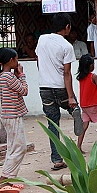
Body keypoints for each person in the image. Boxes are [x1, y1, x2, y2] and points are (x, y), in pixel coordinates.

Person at [36, 13, 81, 171]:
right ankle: (74, 111)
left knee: (52, 124)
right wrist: (70, 96)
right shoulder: (67, 46)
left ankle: (56, 159)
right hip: (60, 87)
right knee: (74, 107)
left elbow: (39, 62)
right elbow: (66, 73)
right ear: (67, 27)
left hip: (45, 88)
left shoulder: (42, 39)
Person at [0, 48, 28, 193]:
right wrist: (21, 75)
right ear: (10, 61)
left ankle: (9, 178)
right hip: (13, 116)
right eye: (16, 59)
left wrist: (17, 76)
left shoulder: (4, 75)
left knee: (13, 148)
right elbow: (24, 90)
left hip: (9, 115)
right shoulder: (8, 76)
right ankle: (4, 178)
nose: (18, 62)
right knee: (20, 147)